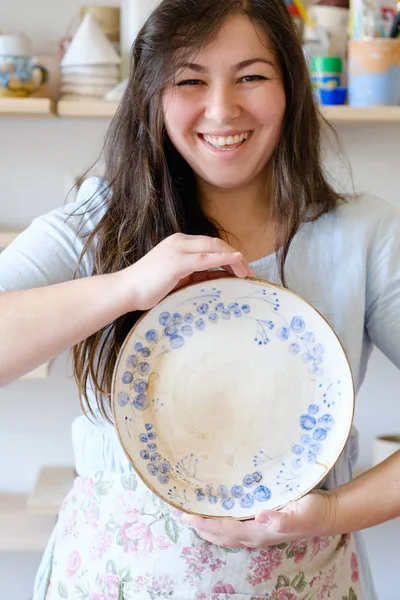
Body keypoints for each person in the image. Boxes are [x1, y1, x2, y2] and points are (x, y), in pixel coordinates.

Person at [1, 0, 399, 598]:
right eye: (190, 79)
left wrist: (334, 512)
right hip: (109, 579)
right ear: (152, 95)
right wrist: (127, 286)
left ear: (291, 87)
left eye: (252, 76)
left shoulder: (366, 234)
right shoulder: (99, 218)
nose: (222, 109)